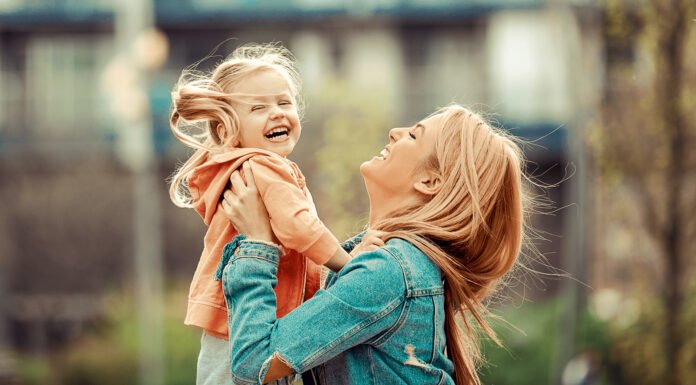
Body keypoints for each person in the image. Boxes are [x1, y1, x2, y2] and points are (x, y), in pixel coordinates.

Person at [219, 104, 529, 385]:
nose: (395, 132)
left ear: (430, 181)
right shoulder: (385, 262)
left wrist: (257, 244)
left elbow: (254, 365)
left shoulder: (388, 272)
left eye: (413, 136)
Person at [168, 43, 354, 385]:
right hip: (253, 320)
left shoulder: (236, 167)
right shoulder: (264, 165)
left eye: (284, 102)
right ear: (226, 130)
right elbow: (300, 228)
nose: (278, 113)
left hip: (233, 318)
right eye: (258, 107)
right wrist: (349, 265)